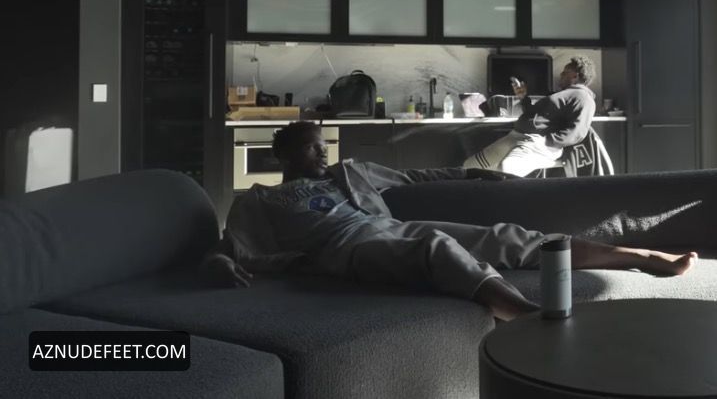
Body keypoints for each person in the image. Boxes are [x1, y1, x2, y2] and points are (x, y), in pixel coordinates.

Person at [203, 121, 697, 321]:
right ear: (284, 154)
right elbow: (231, 242)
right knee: (434, 248)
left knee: (510, 238)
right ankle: (525, 318)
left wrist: (475, 174)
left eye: (321, 145)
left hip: (391, 230)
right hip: (345, 250)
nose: (322, 153)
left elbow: (415, 176)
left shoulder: (346, 173)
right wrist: (221, 261)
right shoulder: (260, 199)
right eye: (311, 147)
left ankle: (641, 256)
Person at [464, 55, 598, 177]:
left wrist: (547, 142)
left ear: (575, 76)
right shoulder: (562, 94)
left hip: (537, 143)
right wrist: (523, 98)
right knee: (470, 166)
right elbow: (536, 116)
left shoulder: (583, 97)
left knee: (506, 170)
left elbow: (578, 132)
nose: (561, 75)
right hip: (516, 136)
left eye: (565, 72)